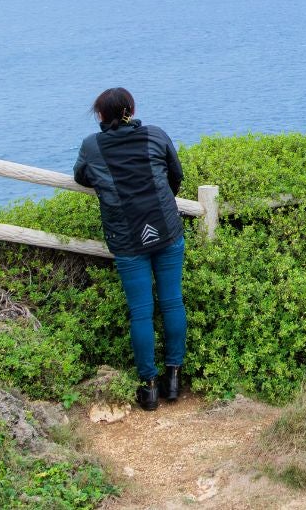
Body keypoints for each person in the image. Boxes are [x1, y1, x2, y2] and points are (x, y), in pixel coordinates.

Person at [74, 87, 188, 410]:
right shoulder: (155, 135)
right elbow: (176, 175)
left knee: (141, 312)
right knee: (172, 302)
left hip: (127, 239)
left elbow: (81, 176)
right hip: (166, 229)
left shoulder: (92, 146)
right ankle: (173, 379)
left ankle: (148, 388)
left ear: (101, 116)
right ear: (132, 110)